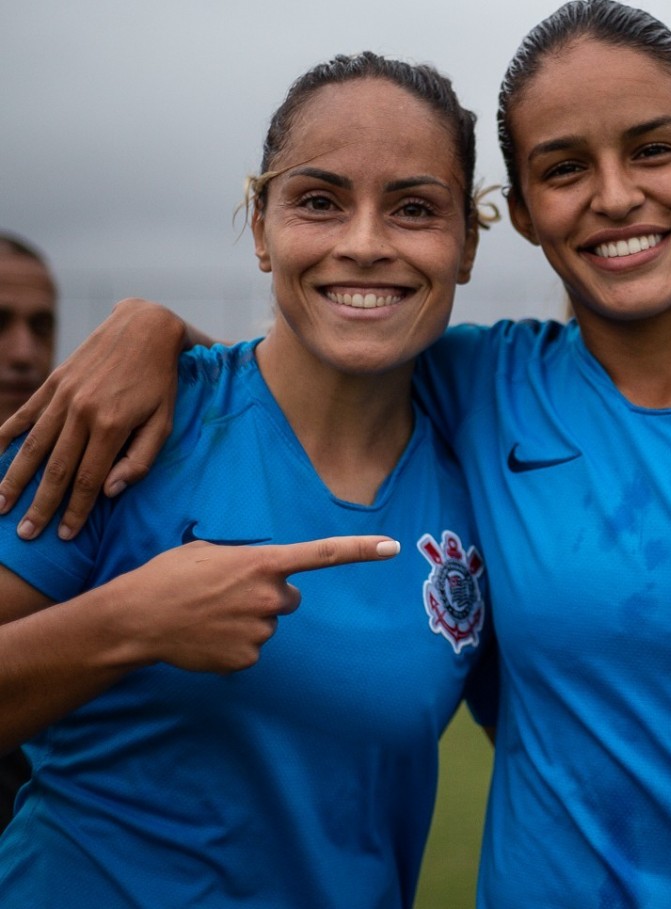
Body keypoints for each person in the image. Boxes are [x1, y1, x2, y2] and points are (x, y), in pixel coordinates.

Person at [0, 0, 671, 909]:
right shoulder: (138, 434)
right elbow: (281, 380)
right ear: (521, 213)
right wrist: (145, 343)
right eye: (565, 167)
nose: (615, 195)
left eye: (651, 148)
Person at [0, 52, 493, 908]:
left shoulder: (483, 474)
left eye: (414, 208)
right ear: (261, 227)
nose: (365, 242)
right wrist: (130, 619)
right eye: (318, 200)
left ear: (466, 246)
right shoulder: (121, 426)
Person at [0, 232, 57, 829]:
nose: (23, 353)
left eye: (41, 327)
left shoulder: (91, 485)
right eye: (0, 322)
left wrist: (162, 329)